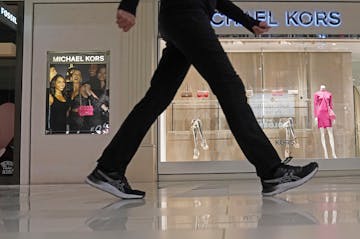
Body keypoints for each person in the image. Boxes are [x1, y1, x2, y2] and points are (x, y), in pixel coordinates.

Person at [86, 0, 319, 199]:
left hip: (181, 19)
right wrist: (129, 5)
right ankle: (272, 172)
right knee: (230, 87)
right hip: (187, 16)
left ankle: (109, 168)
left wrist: (249, 22)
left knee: (156, 98)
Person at [314, 85, 337, 158]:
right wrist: (316, 116)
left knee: (330, 134)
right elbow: (315, 105)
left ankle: (333, 153)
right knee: (322, 134)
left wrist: (333, 117)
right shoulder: (316, 94)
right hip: (320, 114)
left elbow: (331, 105)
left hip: (328, 114)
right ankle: (325, 153)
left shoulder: (329, 94)